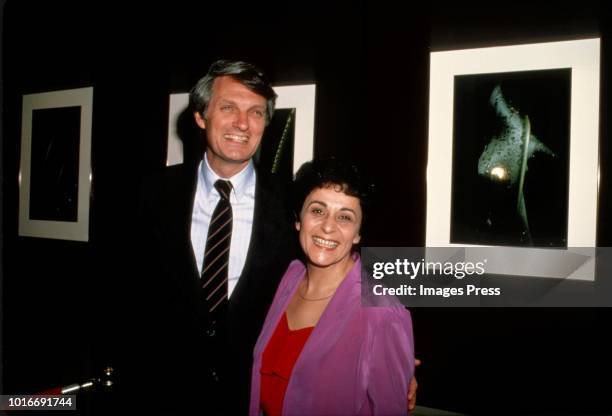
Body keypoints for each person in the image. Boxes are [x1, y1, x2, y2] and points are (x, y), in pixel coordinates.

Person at [124, 60, 297, 415]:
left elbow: (351, 269)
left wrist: (391, 347)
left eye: (256, 112)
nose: (243, 124)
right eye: (229, 107)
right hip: (162, 393)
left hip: (254, 397)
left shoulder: (294, 199)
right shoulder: (153, 193)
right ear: (201, 116)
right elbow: (120, 289)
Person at [249, 158, 415, 415]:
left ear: (358, 233)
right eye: (317, 210)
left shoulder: (382, 312)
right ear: (298, 219)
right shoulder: (286, 278)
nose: (328, 226)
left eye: (345, 217)